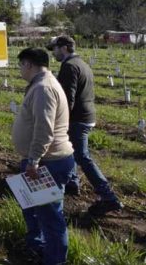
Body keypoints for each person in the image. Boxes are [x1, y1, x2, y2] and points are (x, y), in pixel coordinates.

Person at [47, 35, 123, 216]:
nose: (53, 53)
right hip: (86, 115)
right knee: (72, 150)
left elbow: (67, 98)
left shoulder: (69, 66)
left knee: (82, 156)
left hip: (78, 118)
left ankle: (109, 197)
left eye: (55, 49)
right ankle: (72, 184)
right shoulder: (82, 63)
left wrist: (59, 121)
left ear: (64, 47)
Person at [13, 48, 75, 265]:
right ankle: (39, 249)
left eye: (21, 65)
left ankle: (55, 260)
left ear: (29, 64)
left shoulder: (43, 88)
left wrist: (33, 160)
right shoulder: (41, 85)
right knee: (35, 211)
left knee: (50, 217)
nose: (20, 69)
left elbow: (44, 130)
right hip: (44, 160)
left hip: (48, 162)